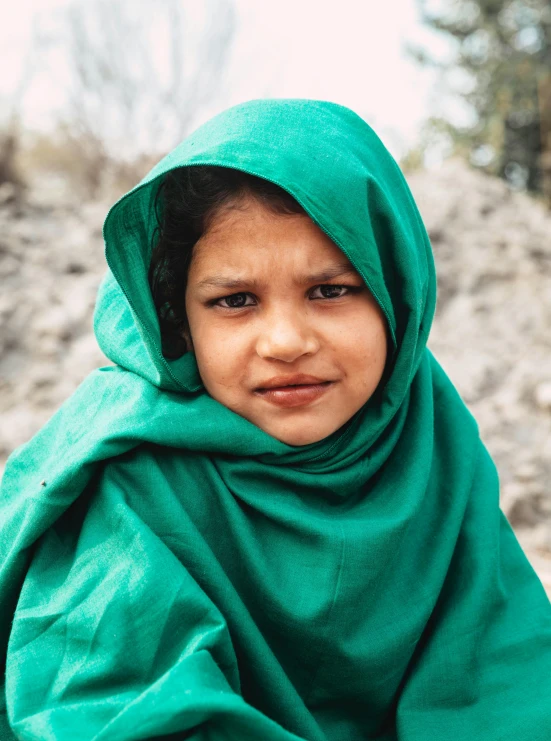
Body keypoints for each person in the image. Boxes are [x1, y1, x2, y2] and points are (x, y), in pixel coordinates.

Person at [0, 98, 549, 741]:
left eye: (330, 290)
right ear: (179, 321)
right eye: (235, 300)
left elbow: (506, 681)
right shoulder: (132, 480)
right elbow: (113, 709)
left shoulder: (432, 448)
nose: (285, 341)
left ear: (397, 296)